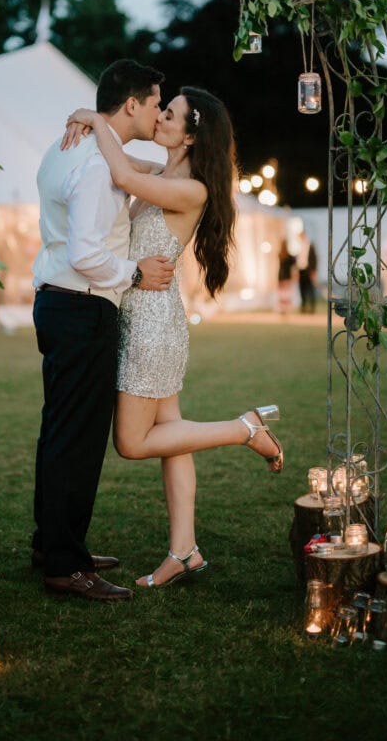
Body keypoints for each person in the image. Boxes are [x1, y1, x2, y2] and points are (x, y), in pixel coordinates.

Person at [63, 87, 283, 589]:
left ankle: (243, 428)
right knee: (172, 438)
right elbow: (122, 157)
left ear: (190, 135)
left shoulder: (194, 190)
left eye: (169, 114)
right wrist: (98, 128)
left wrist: (94, 118)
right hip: (146, 315)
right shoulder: (162, 173)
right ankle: (184, 551)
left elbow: (119, 171)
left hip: (151, 326)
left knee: (132, 442)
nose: (159, 118)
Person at [31, 59, 175, 602]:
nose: (160, 111)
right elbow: (88, 252)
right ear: (132, 104)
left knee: (57, 431)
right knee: (78, 438)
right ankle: (66, 565)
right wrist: (136, 275)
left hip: (58, 303)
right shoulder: (94, 163)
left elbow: (137, 171)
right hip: (85, 306)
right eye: (156, 101)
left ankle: (53, 543)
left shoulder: (73, 147)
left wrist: (92, 119)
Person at [296, 229, 317, 314]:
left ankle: (312, 308)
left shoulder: (310, 245)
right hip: (301, 270)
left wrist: (313, 270)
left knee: (310, 289)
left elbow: (314, 259)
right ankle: (303, 307)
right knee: (302, 289)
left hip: (308, 270)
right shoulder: (299, 247)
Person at [277, 238, 297, 315]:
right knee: (287, 294)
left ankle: (282, 309)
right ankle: (287, 309)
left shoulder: (280, 255)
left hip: (281, 276)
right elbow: (294, 262)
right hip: (287, 277)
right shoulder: (289, 256)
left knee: (281, 294)